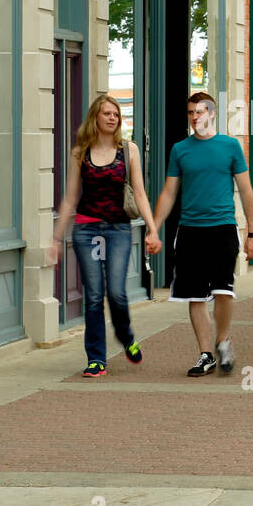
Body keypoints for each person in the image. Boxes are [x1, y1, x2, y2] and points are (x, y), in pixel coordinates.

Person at [47, 94, 160, 378]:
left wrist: (152, 228)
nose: (112, 118)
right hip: (86, 230)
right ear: (95, 117)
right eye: (107, 113)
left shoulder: (128, 149)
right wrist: (56, 239)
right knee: (94, 296)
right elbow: (71, 198)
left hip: (118, 229)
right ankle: (96, 359)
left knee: (117, 293)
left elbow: (140, 193)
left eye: (116, 115)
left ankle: (126, 337)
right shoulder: (80, 152)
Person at [152, 90, 253, 375]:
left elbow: (246, 190)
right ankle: (205, 354)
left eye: (200, 111)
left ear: (212, 114)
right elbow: (169, 192)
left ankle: (223, 340)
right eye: (190, 113)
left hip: (223, 228)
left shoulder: (230, 146)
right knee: (195, 296)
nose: (195, 117)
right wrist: (153, 228)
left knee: (223, 290)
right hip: (189, 231)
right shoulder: (180, 150)